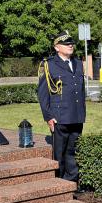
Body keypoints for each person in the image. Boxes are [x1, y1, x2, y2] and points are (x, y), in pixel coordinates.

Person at [37, 31, 86, 187]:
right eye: (66, 44)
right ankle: (59, 184)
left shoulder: (78, 63)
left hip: (76, 115)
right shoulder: (49, 65)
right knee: (60, 153)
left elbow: (81, 90)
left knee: (73, 150)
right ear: (57, 47)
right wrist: (48, 116)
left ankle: (72, 182)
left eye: (71, 43)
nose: (70, 45)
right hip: (60, 116)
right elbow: (43, 93)